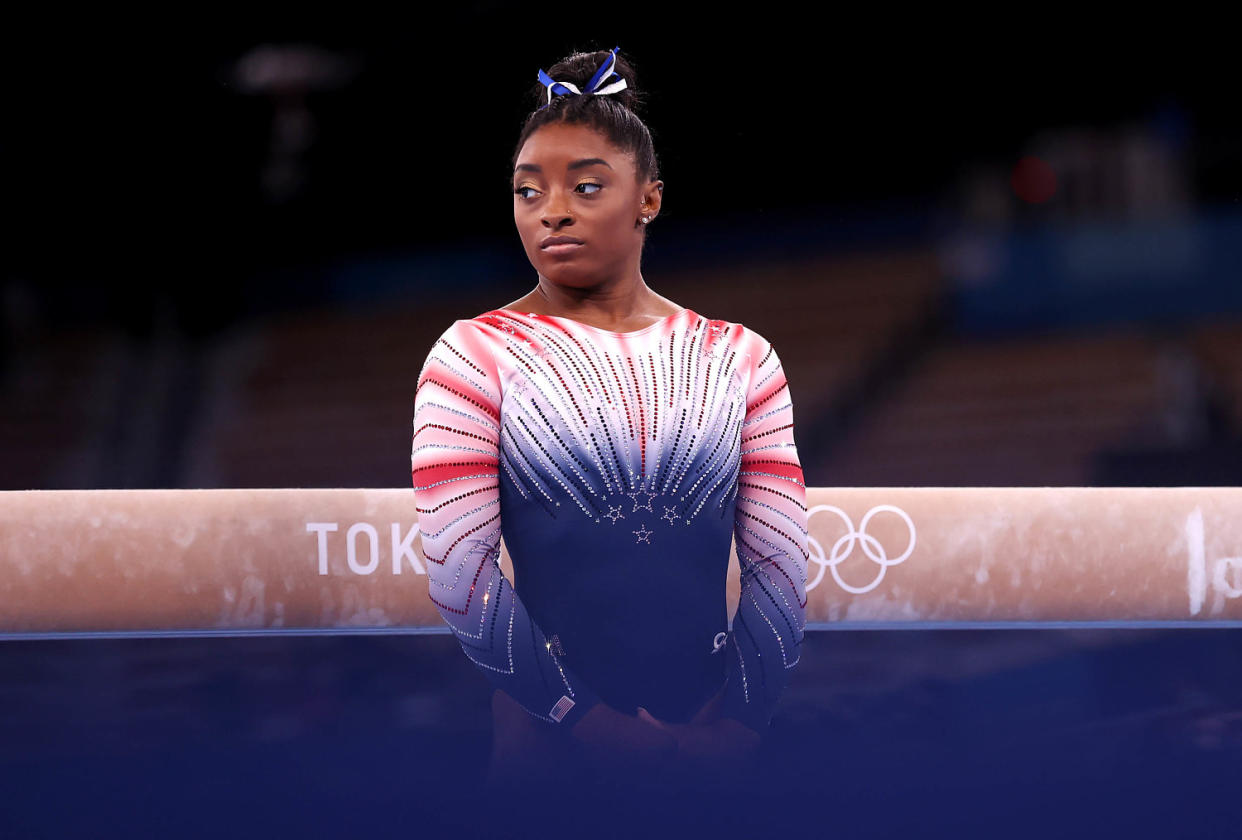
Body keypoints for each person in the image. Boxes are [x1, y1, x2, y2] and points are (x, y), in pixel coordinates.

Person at [410, 46, 808, 797]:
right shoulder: (472, 355)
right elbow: (460, 575)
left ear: (648, 198)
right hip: (549, 748)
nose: (552, 210)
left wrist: (742, 728)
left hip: (708, 742)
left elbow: (781, 567)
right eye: (528, 192)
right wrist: (588, 721)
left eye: (586, 187)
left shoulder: (740, 357)